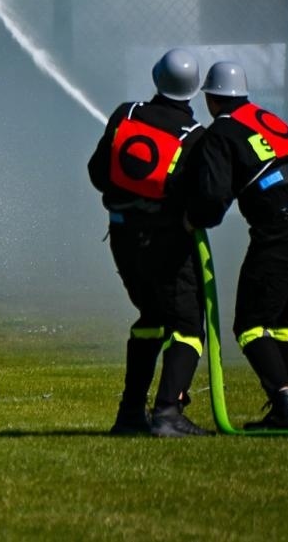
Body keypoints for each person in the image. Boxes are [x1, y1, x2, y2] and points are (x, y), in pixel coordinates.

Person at [185, 60, 288, 431]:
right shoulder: (267, 118)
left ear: (211, 98)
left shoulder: (221, 131)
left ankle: (285, 408)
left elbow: (213, 197)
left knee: (251, 324)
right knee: (281, 318)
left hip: (286, 225)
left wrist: (194, 218)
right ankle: (286, 408)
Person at [87, 48, 209, 438]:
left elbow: (97, 173)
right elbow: (198, 196)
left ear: (156, 77)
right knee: (187, 325)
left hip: (123, 239)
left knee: (151, 317)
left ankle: (129, 414)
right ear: (195, 89)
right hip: (166, 244)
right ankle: (168, 413)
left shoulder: (126, 114)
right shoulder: (195, 136)